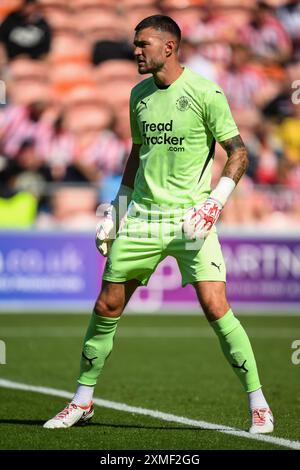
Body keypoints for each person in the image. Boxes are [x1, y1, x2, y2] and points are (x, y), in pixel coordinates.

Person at [43, 15, 274, 434]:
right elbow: (137, 155)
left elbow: (238, 153)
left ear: (169, 47)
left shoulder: (207, 92)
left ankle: (258, 403)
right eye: (135, 43)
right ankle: (82, 401)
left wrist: (214, 204)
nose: (135, 50)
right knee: (106, 306)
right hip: (144, 218)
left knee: (216, 307)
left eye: (143, 44)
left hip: (192, 219)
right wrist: (115, 210)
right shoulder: (138, 95)